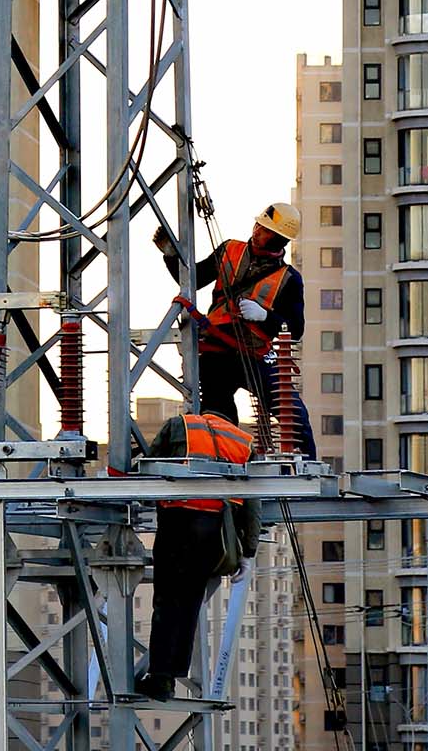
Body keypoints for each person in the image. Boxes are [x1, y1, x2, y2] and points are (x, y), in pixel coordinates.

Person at [154, 201, 314, 455]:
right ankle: (226, 468)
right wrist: (170, 256)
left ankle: (307, 472)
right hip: (217, 353)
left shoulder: (289, 279)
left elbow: (296, 328)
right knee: (219, 419)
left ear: (279, 240)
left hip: (255, 355)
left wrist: (266, 316)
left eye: (265, 230)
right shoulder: (230, 250)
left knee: (295, 417)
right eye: (259, 225)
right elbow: (193, 279)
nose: (256, 231)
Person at [134, 410, 259, 701]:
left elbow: (151, 465)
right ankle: (171, 673)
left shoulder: (181, 425)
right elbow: (253, 502)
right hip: (215, 532)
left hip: (178, 521)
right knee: (190, 601)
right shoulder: (241, 441)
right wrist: (248, 552)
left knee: (167, 599)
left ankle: (161, 678)